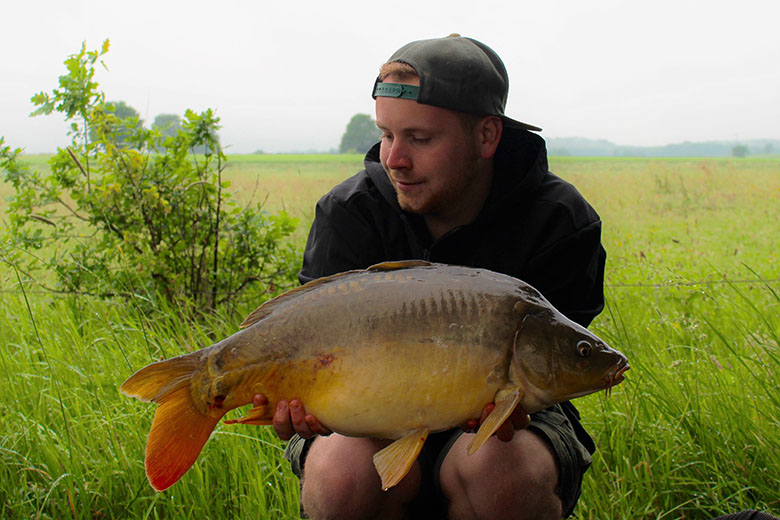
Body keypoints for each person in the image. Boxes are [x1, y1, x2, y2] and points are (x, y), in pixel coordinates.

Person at [253, 34, 607, 519]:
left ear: (487, 136)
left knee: (502, 475)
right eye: (387, 135)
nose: (394, 159)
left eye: (419, 139)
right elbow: (311, 351)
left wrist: (512, 401)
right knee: (344, 475)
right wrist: (300, 404)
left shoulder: (560, 221)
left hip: (512, 427)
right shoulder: (350, 212)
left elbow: (557, 368)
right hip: (365, 417)